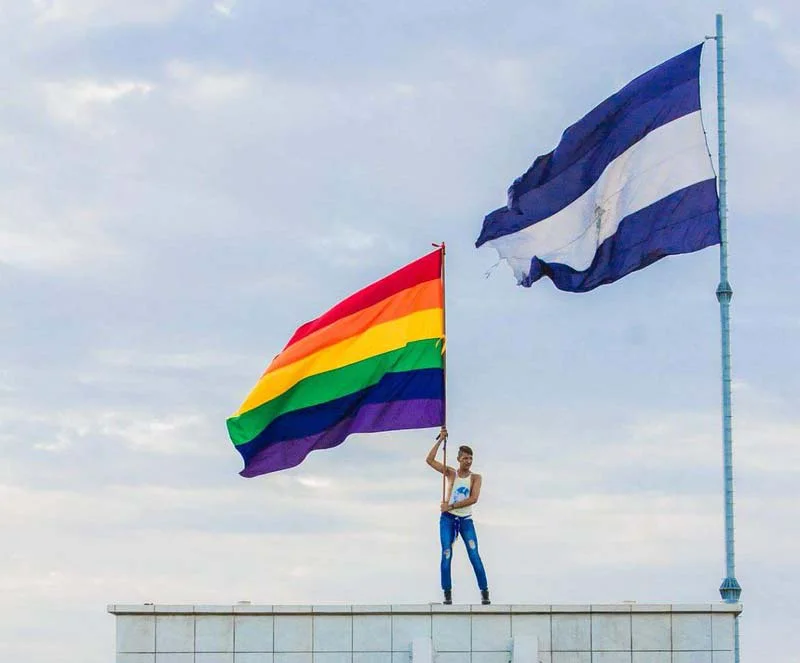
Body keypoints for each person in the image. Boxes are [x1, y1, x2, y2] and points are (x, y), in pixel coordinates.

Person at [426, 425, 490, 605]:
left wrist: (451, 505)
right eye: (465, 458)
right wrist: (440, 440)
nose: (468, 461)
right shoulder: (451, 473)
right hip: (448, 520)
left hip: (465, 520)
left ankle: (484, 591)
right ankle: (447, 593)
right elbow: (429, 460)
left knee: (474, 554)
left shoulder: (476, 477)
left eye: (470, 458)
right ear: (458, 459)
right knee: (446, 553)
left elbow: (473, 498)